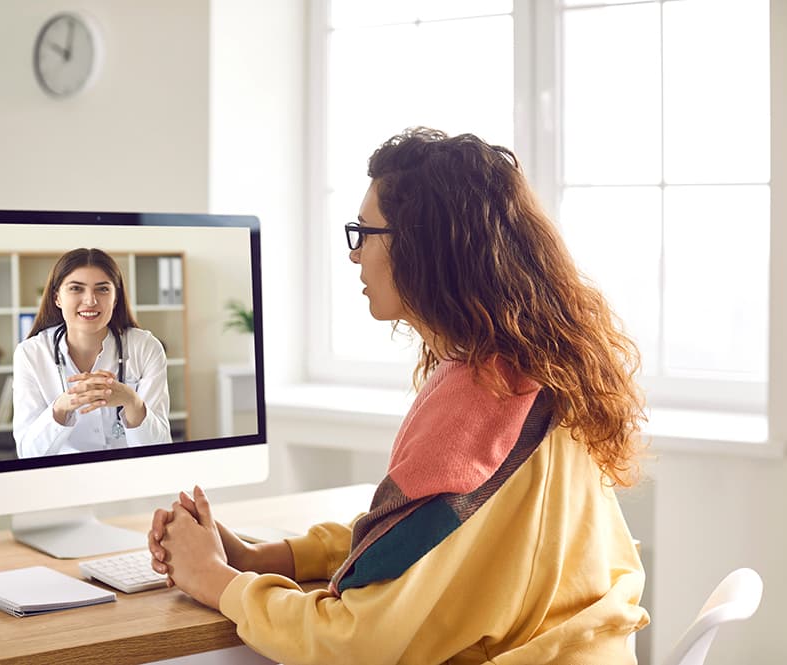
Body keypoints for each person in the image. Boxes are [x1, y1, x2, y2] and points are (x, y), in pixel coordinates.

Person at [148, 128, 650, 663]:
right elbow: (429, 547)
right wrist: (265, 557)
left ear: (423, 245)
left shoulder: (478, 415)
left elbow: (356, 642)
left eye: (364, 233)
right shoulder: (535, 370)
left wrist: (215, 580)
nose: (355, 254)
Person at [12, 247, 172, 457]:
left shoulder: (145, 347)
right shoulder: (30, 353)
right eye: (76, 288)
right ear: (57, 298)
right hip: (64, 478)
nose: (90, 300)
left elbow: (160, 451)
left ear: (115, 299)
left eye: (102, 289)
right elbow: (28, 454)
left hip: (131, 476)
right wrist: (61, 408)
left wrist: (131, 402)